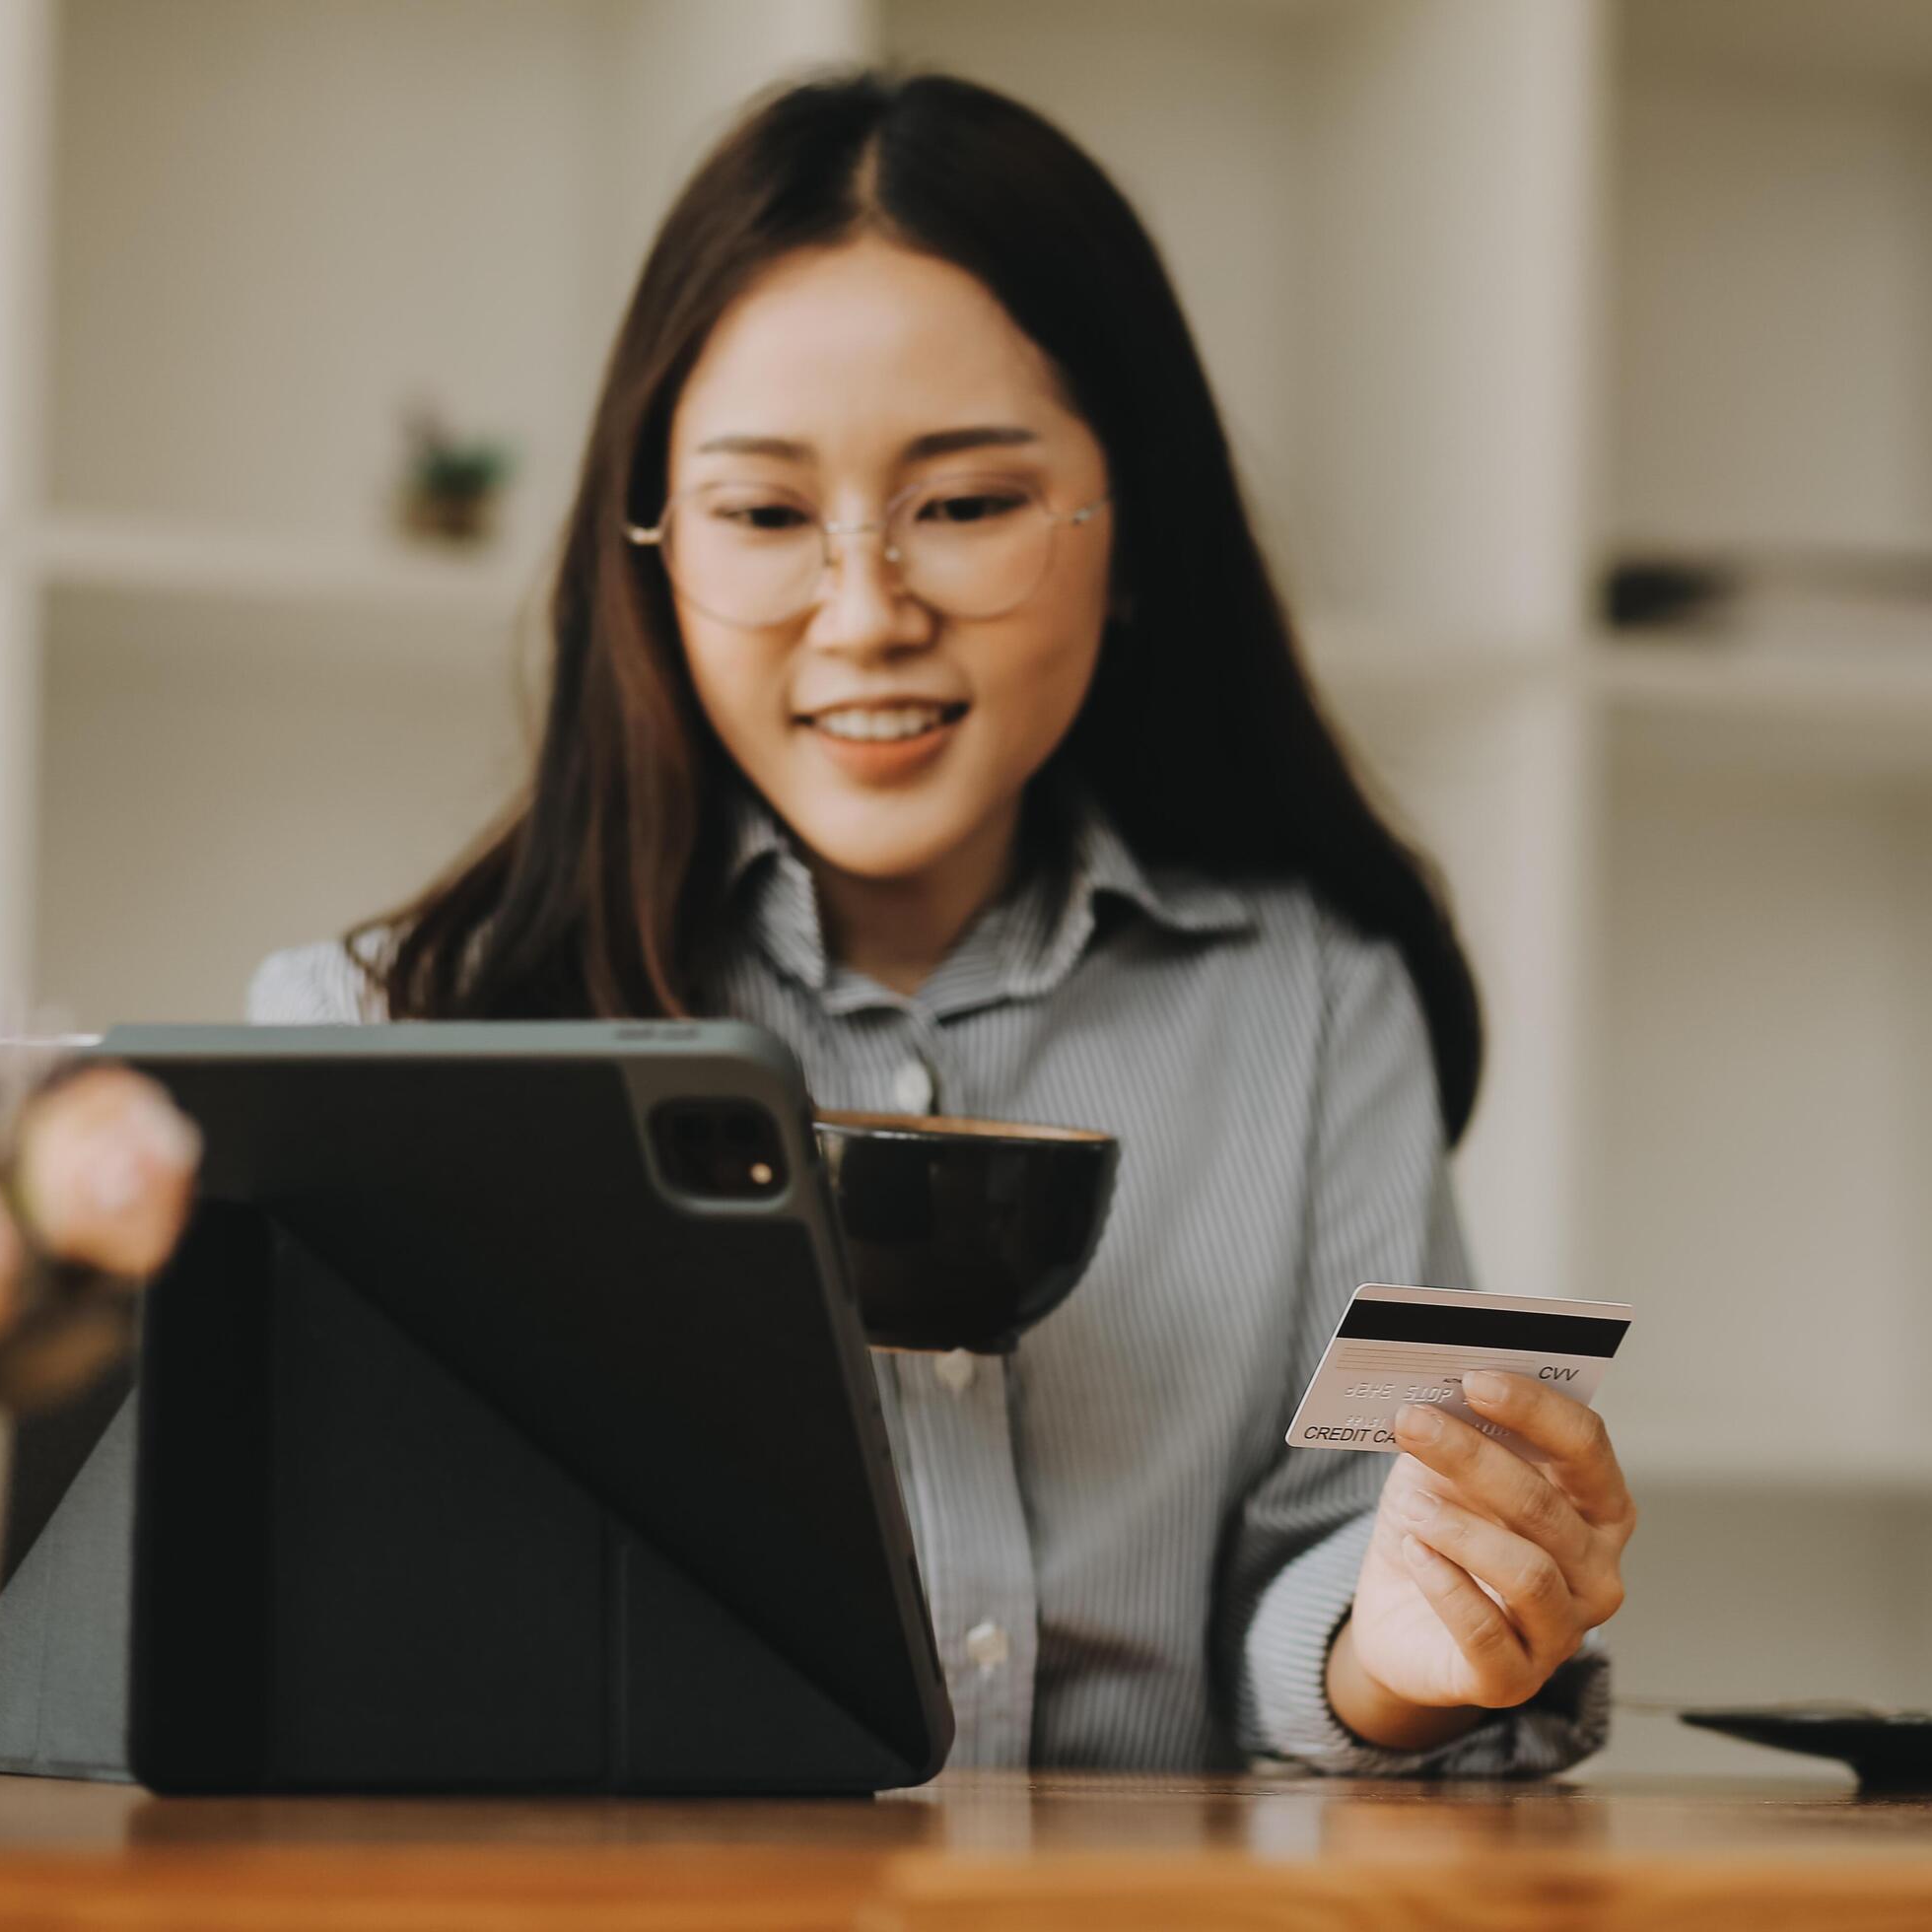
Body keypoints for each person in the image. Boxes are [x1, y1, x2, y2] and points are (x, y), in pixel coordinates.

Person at [247, 69, 1628, 1776]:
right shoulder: (382, 1032)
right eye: (764, 515)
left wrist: (1411, 1644)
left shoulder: (1318, 1000)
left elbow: (1331, 1555)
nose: (865, 613)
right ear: (652, 554)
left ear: (1131, 538)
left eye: (964, 506)